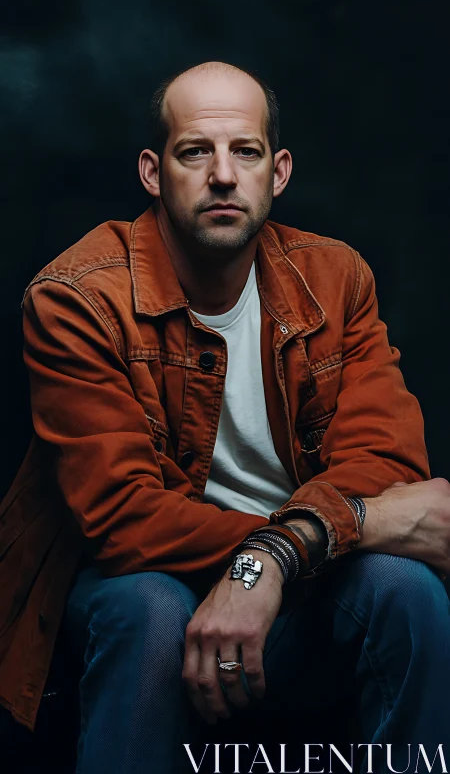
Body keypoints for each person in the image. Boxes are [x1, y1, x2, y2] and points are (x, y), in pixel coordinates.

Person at [0, 61, 449, 774]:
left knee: (407, 590)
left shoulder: (336, 279)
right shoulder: (75, 298)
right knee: (147, 609)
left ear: (279, 171)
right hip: (147, 578)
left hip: (300, 570)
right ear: (153, 172)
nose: (221, 174)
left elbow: (387, 463)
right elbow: (122, 518)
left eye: (246, 151)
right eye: (193, 151)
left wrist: (275, 559)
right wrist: (297, 545)